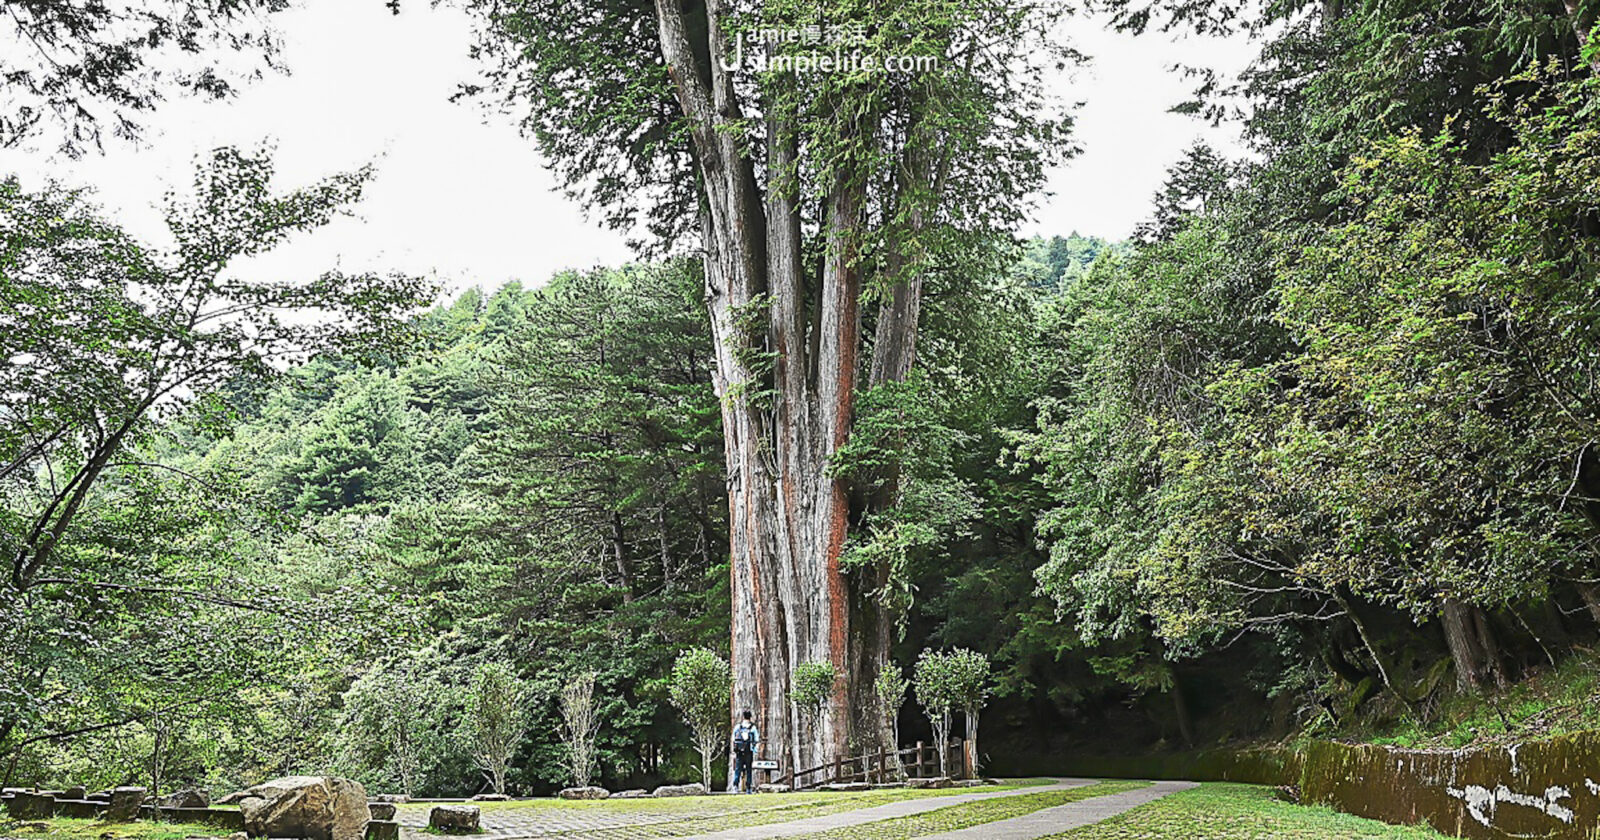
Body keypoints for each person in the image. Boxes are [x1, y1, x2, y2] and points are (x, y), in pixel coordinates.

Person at [730, 710, 760, 794]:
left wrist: (734, 750)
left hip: (739, 752)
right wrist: (755, 750)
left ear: (743, 717)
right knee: (748, 770)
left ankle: (735, 786)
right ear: (750, 717)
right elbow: (756, 740)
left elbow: (733, 739)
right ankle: (748, 788)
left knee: (738, 769)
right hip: (748, 751)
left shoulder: (738, 727)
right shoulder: (752, 728)